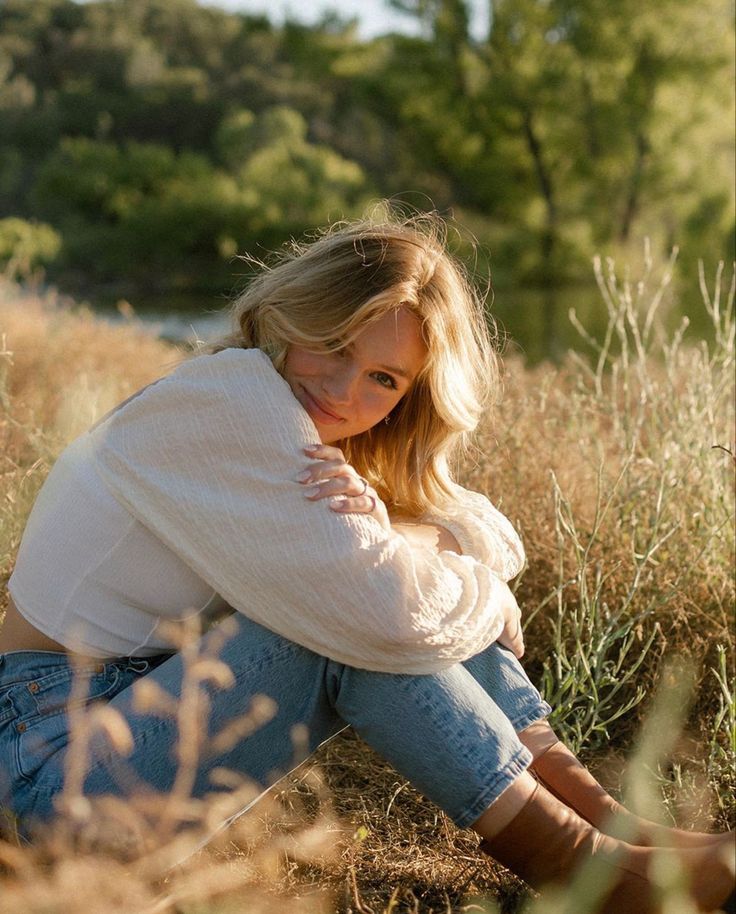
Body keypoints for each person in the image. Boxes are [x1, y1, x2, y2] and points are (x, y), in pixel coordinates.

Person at [0, 212, 733, 913]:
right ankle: (585, 868)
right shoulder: (226, 402)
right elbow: (387, 616)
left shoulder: (274, 409)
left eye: (385, 379)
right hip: (47, 770)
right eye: (338, 343)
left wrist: (418, 543)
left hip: (122, 738)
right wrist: (475, 591)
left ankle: (615, 830)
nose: (347, 392)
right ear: (295, 313)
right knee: (351, 627)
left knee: (381, 594)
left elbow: (480, 525)